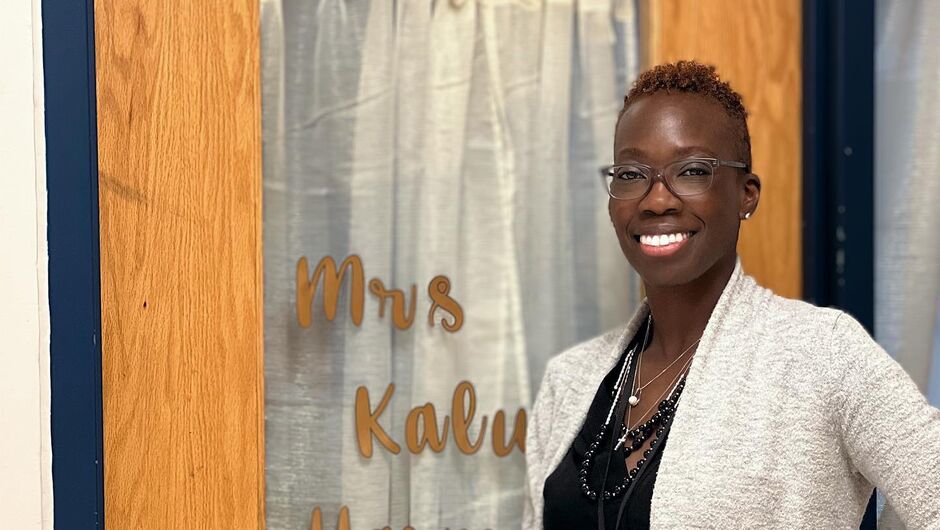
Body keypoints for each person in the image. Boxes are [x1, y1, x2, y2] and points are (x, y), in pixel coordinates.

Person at [522, 61, 940, 529]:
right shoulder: (569, 381)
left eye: (692, 171)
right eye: (631, 173)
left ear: (746, 194)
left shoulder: (822, 355)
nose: (656, 200)